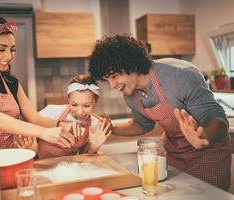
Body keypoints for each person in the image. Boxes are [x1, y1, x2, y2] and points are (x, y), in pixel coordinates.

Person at [88, 35, 231, 190]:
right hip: (174, 153)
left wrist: (203, 137)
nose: (112, 85)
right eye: (107, 80)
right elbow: (143, 125)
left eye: (114, 76)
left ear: (131, 64)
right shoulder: (129, 94)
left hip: (207, 155)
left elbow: (218, 119)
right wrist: (111, 127)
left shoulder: (179, 75)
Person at [0, 16, 75, 173]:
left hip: (8, 159)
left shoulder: (11, 82)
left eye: (12, 49)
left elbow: (35, 118)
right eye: (1, 49)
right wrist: (43, 133)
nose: (9, 56)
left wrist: (65, 125)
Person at [15, 74, 112, 159]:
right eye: (74, 105)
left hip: (64, 169)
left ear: (96, 102)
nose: (80, 111)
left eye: (86, 106)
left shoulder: (94, 124)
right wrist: (30, 149)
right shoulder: (52, 112)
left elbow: (82, 157)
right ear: (68, 100)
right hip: (40, 164)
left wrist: (93, 148)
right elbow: (26, 128)